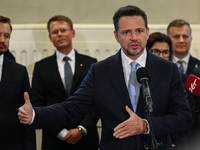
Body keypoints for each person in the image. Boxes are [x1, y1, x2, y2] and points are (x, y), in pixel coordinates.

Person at [18, 5, 192, 150]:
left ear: (147, 32)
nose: (134, 38)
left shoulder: (168, 69)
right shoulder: (100, 71)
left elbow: (184, 117)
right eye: (126, 32)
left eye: (139, 31)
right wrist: (35, 114)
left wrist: (146, 125)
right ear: (116, 36)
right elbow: (70, 109)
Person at [31, 15, 99, 150]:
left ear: (72, 33)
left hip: (86, 139)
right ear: (50, 38)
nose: (60, 34)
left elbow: (97, 101)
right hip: (54, 141)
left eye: (63, 30)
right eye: (55, 32)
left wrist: (81, 129)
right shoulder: (41, 67)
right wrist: (61, 133)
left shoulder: (91, 64)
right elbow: (38, 104)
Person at [147, 32, 195, 150]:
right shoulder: (141, 77)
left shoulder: (180, 77)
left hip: (175, 142)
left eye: (165, 52)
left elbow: (187, 114)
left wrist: (174, 142)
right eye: (156, 51)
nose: (161, 56)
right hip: (147, 139)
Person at [0, 15, 36, 150]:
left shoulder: (19, 71)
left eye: (6, 36)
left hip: (11, 143)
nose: (2, 40)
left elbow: (27, 116)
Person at [167, 19, 200, 150]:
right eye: (176, 36)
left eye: (185, 36)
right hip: (170, 136)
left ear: (191, 38)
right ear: (168, 40)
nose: (181, 40)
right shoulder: (162, 69)